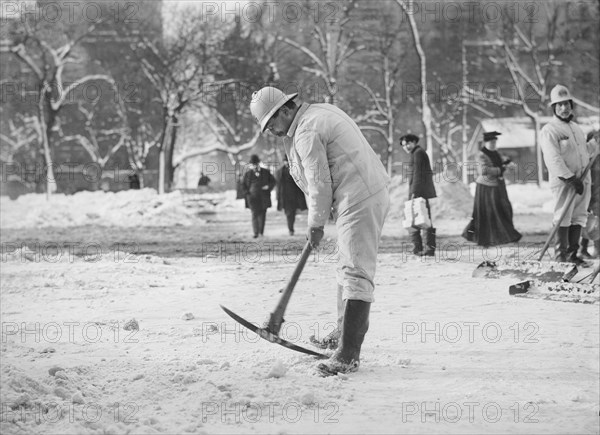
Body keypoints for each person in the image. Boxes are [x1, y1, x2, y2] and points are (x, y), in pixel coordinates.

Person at [250, 86, 390, 376]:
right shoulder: (317, 114)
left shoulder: (306, 131)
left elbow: (319, 183)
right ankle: (342, 334)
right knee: (346, 268)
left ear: (286, 110)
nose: (271, 131)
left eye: (272, 123)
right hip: (360, 194)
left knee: (355, 272)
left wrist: (315, 224)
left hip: (359, 197)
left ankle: (348, 354)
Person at [540, 85, 593, 264]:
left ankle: (572, 255)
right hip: (565, 182)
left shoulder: (576, 128)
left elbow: (585, 151)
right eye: (559, 105)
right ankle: (560, 256)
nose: (564, 108)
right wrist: (569, 178)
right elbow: (552, 158)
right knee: (563, 216)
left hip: (583, 180)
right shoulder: (549, 130)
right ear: (554, 108)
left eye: (567, 104)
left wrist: (595, 143)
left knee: (579, 216)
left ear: (571, 105)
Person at [462, 131, 522, 247]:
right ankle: (488, 238)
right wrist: (501, 168)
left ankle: (503, 235)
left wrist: (507, 165)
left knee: (504, 209)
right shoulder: (481, 155)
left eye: (495, 142)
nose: (493, 144)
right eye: (491, 142)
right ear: (485, 142)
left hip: (498, 186)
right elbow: (484, 171)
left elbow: (500, 163)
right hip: (486, 188)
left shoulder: (496, 153)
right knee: (489, 212)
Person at [400, 134, 437, 256]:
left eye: (408, 144)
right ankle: (420, 248)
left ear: (414, 142)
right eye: (404, 145)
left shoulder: (418, 153)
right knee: (418, 218)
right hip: (418, 191)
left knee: (423, 218)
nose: (406, 147)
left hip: (419, 191)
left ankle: (427, 249)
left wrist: (414, 192)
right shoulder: (416, 153)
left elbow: (418, 175)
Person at [242, 154, 276, 238]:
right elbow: (243, 185)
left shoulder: (266, 172)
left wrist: (268, 187)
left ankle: (261, 232)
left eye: (256, 164)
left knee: (262, 214)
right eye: (253, 164)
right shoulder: (247, 174)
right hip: (252, 198)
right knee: (254, 214)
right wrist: (247, 193)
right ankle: (256, 233)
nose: (254, 166)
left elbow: (273, 181)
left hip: (263, 197)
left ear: (258, 163)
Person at [579, 131, 600, 258]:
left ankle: (583, 248)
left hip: (595, 192)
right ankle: (593, 249)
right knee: (592, 220)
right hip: (591, 193)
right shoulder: (590, 158)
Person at [275, 155, 307, 236]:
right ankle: (291, 229)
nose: (286, 162)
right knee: (289, 213)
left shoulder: (296, 170)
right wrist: (278, 196)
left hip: (294, 195)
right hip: (284, 196)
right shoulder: (279, 171)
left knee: (292, 213)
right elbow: (278, 185)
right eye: (285, 161)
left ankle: (291, 228)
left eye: (288, 161)